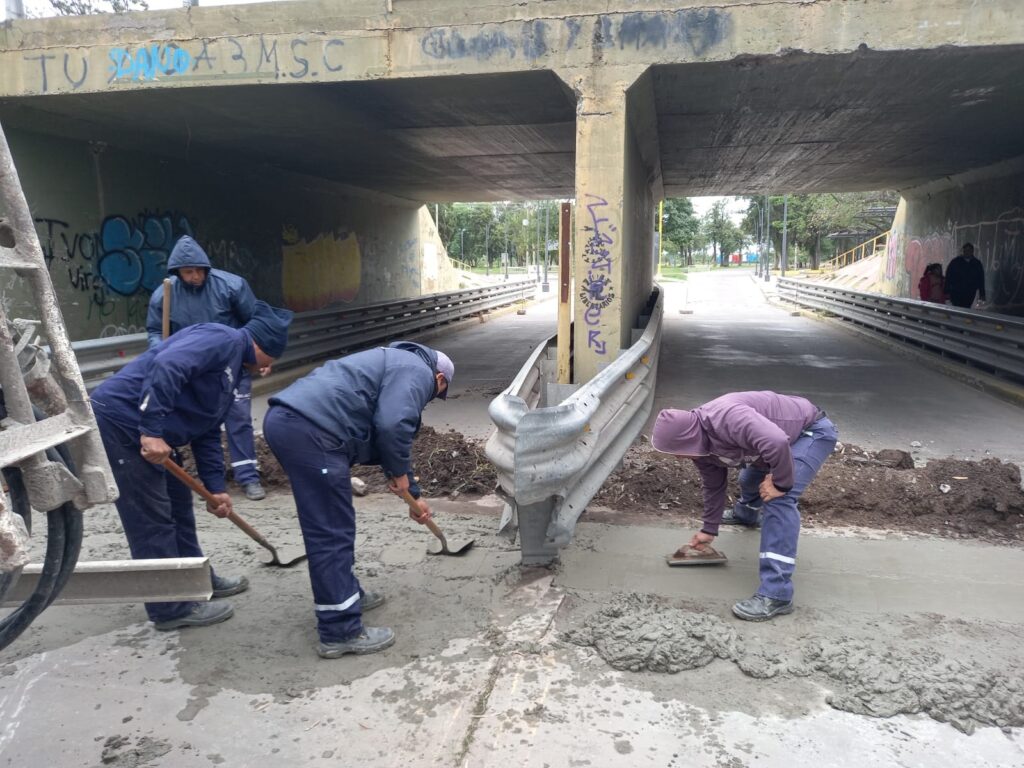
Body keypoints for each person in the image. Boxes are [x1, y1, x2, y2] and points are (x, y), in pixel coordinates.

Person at [92, 302, 293, 630]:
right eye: (271, 360)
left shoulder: (233, 370)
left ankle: (194, 580)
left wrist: (216, 488)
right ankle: (170, 608)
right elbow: (168, 364)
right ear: (261, 347)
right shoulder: (222, 339)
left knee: (179, 507)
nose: (268, 368)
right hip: (123, 424)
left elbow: (207, 430)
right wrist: (151, 431)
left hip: (152, 432)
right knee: (152, 518)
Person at [263, 341, 454, 658]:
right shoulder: (418, 371)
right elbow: (393, 424)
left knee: (336, 523)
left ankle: (347, 595)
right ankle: (339, 630)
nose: (430, 398)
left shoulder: (395, 362)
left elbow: (383, 430)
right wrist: (399, 473)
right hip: (311, 432)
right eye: (438, 393)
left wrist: (412, 493)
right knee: (331, 530)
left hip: (298, 425)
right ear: (440, 379)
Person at [651, 391, 838, 621]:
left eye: (676, 452)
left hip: (810, 432)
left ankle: (777, 594)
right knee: (749, 479)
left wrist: (781, 484)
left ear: (687, 438)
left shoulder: (727, 418)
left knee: (778, 500)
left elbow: (776, 441)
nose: (678, 458)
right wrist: (709, 529)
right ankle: (747, 515)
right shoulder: (700, 447)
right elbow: (713, 485)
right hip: (771, 446)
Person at [146, 235, 267, 501]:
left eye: (199, 270)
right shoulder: (164, 294)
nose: (195, 276)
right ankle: (211, 484)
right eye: (188, 272)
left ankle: (248, 477)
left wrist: (258, 356)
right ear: (177, 272)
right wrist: (160, 349)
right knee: (200, 423)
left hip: (231, 366)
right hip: (189, 371)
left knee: (238, 418)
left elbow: (255, 323)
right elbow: (155, 330)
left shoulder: (231, 286)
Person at [944, 242, 986, 309]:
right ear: (963, 251)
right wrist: (946, 291)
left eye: (969, 250)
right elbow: (948, 276)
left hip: (970, 291)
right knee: (957, 308)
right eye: (965, 250)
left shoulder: (977, 264)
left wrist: (982, 293)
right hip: (956, 291)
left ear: (972, 251)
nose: (967, 252)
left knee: (966, 307)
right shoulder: (955, 262)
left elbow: (981, 279)